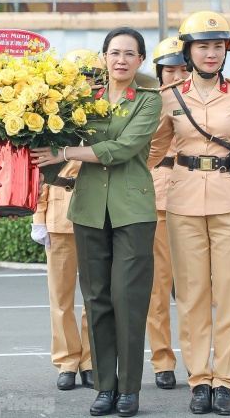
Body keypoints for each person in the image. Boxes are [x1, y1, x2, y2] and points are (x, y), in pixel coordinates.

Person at [33, 27, 162, 418]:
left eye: (130, 53)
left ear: (141, 60)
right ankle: (105, 386)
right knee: (98, 299)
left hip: (133, 212)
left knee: (128, 299)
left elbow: (124, 149)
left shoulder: (149, 100)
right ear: (104, 57)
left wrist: (65, 151)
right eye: (114, 52)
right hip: (88, 209)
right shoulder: (79, 99)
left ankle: (130, 389)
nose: (121, 59)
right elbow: (53, 144)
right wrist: (41, 168)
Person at [148, 11, 230, 415]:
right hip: (182, 201)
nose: (212, 53)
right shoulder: (170, 96)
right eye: (203, 46)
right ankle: (200, 378)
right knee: (193, 294)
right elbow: (153, 150)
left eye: (218, 46)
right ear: (188, 50)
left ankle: (226, 381)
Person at [30, 49, 96, 393]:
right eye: (78, 78)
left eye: (91, 78)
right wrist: (38, 216)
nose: (85, 85)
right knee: (61, 296)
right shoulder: (53, 119)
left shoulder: (103, 118)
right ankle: (67, 360)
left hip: (97, 210)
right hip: (58, 212)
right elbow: (42, 175)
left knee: (95, 295)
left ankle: (91, 360)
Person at [146, 36, 188, 391]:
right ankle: (162, 359)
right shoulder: (150, 103)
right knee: (158, 289)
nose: (175, 74)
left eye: (181, 68)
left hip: (196, 195)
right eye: (169, 69)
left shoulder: (203, 98)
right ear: (159, 72)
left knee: (196, 288)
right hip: (158, 197)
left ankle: (201, 358)